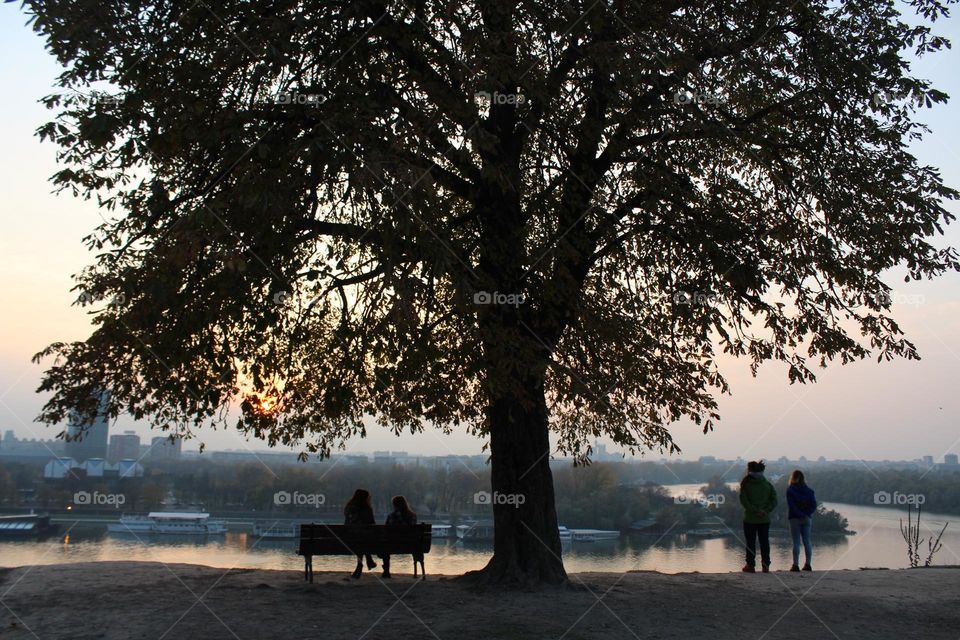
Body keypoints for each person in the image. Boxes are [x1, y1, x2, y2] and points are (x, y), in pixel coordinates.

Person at [739, 460, 777, 573]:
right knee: (764, 542)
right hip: (764, 519)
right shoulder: (768, 485)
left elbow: (744, 501)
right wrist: (765, 511)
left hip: (750, 519)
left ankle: (750, 565)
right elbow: (774, 500)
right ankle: (766, 565)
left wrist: (755, 511)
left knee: (750, 542)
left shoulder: (745, 485)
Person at [380, 495, 424, 578]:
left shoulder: (391, 516)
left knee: (384, 547)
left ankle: (386, 571)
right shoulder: (413, 516)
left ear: (394, 505)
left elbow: (386, 530)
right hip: (410, 545)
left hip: (393, 545)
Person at [786, 469, 817, 572]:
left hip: (794, 518)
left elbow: (792, 505)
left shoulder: (790, 490)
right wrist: (806, 514)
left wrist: (799, 514)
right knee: (807, 541)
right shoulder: (810, 491)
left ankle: (795, 565)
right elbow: (813, 505)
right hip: (807, 519)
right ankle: (808, 564)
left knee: (796, 542)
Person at [344, 488, 377, 578]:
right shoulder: (366, 508)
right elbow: (372, 523)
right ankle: (368, 560)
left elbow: (346, 523)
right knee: (364, 538)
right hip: (364, 538)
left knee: (360, 539)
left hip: (349, 538)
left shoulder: (348, 507)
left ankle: (362, 564)